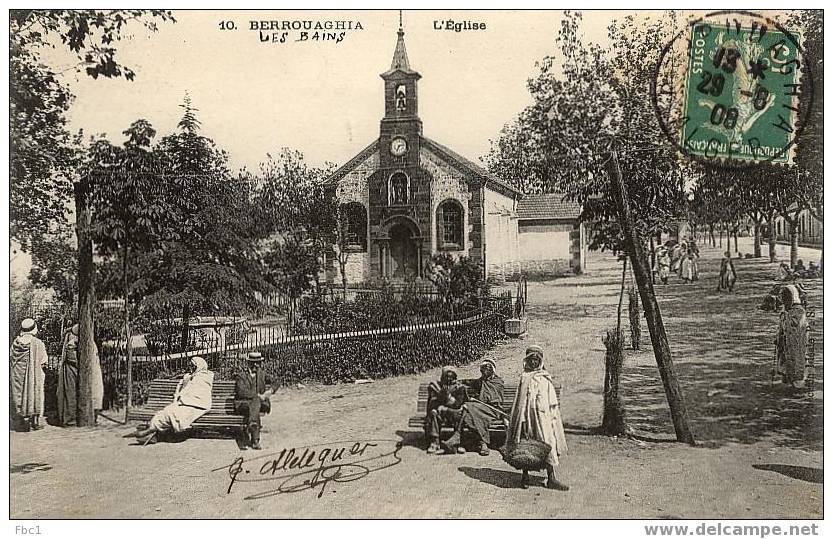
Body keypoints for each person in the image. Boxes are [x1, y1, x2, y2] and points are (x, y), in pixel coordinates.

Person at [506, 345, 569, 490]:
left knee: (547, 443)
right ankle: (525, 476)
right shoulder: (524, 377)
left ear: (540, 361)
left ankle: (551, 478)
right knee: (526, 446)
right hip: (526, 417)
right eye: (531, 360)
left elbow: (551, 402)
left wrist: (553, 419)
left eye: (536, 360)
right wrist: (517, 418)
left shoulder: (545, 378)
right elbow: (519, 401)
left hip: (542, 418)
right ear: (527, 361)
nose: (533, 363)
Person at [134, 356, 214, 444]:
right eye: (190, 366)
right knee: (166, 411)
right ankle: (152, 432)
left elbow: (201, 395)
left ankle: (152, 432)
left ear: (199, 366)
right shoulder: (189, 377)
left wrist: (187, 399)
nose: (190, 368)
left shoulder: (205, 377)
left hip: (198, 406)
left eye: (192, 366)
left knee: (176, 414)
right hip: (185, 403)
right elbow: (183, 388)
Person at [445, 359, 505, 456]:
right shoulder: (481, 381)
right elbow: (470, 381)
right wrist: (458, 382)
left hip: (493, 409)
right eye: (483, 369)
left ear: (492, 370)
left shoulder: (498, 382)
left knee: (467, 406)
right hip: (479, 409)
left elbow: (495, 400)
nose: (485, 371)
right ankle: (482, 443)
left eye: (487, 368)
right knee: (468, 415)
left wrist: (482, 400)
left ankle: (457, 436)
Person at [58, 323, 106, 426]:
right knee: (73, 395)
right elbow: (74, 358)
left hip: (90, 371)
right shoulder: (73, 343)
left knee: (90, 393)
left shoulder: (86, 343)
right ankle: (73, 420)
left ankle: (85, 417)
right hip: (82, 371)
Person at [10, 318, 48, 431]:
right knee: (34, 392)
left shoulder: (15, 343)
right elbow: (43, 361)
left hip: (17, 374)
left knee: (18, 395)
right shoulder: (38, 343)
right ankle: (35, 422)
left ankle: (21, 421)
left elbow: (11, 357)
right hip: (34, 375)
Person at [424, 365, 467, 454]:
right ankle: (435, 442)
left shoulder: (459, 387)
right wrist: (441, 395)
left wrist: (447, 397)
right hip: (441, 413)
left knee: (460, 413)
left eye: (451, 377)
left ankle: (458, 443)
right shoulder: (436, 387)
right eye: (446, 376)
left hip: (453, 413)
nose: (449, 379)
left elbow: (458, 404)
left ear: (455, 377)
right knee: (433, 413)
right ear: (442, 377)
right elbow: (432, 403)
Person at [235, 351, 272, 450]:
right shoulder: (241, 375)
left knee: (255, 405)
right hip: (243, 404)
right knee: (255, 403)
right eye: (254, 362)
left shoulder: (262, 374)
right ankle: (255, 441)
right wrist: (257, 396)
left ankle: (252, 424)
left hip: (257, 404)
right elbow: (241, 392)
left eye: (258, 362)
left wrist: (270, 391)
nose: (256, 365)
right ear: (249, 363)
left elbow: (276, 381)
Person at [776, 285, 808, 391]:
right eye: (783, 297)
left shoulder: (799, 310)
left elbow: (796, 325)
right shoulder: (786, 309)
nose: (784, 300)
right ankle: (788, 378)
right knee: (785, 358)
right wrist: (779, 336)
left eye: (787, 297)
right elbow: (782, 325)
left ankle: (798, 381)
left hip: (796, 341)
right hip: (786, 340)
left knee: (796, 358)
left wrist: (787, 317)